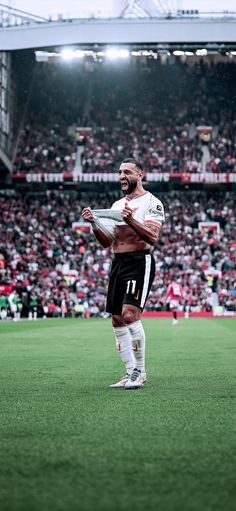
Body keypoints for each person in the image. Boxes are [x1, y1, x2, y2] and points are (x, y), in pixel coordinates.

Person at [82, 158, 165, 389]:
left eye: (127, 172)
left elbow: (152, 237)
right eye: (119, 172)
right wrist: (95, 224)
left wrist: (131, 220)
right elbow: (106, 243)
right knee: (117, 318)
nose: (121, 176)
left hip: (139, 261)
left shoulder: (152, 202)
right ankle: (129, 373)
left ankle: (140, 371)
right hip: (118, 262)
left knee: (129, 314)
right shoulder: (117, 205)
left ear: (140, 175)